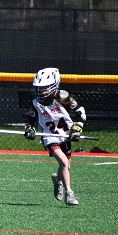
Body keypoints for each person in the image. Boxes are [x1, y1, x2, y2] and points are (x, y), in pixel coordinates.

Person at [24, 67, 87, 206]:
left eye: (44, 88)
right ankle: (69, 194)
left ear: (54, 85)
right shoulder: (35, 103)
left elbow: (80, 112)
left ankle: (57, 180)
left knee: (67, 166)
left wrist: (78, 127)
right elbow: (30, 120)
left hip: (65, 136)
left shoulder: (63, 97)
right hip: (49, 137)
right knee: (63, 162)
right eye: (39, 88)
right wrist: (29, 129)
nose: (41, 91)